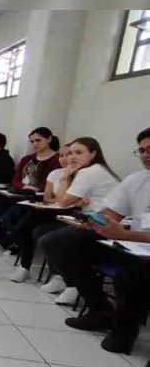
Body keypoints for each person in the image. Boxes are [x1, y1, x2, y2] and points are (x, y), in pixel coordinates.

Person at [40, 128, 150, 354]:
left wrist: (125, 235)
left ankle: (123, 332)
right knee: (59, 241)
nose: (146, 155)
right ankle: (100, 309)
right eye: (142, 150)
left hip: (138, 247)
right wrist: (96, 221)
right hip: (130, 243)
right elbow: (112, 213)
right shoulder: (137, 179)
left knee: (131, 274)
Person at [0, 128, 62, 250]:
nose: (35, 144)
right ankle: (2, 242)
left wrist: (34, 189)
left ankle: (13, 245)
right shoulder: (27, 159)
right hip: (17, 193)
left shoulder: (57, 160)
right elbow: (15, 180)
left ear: (49, 139)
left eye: (38, 140)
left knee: (11, 216)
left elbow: (53, 183)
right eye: (32, 141)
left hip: (37, 197)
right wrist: (24, 186)